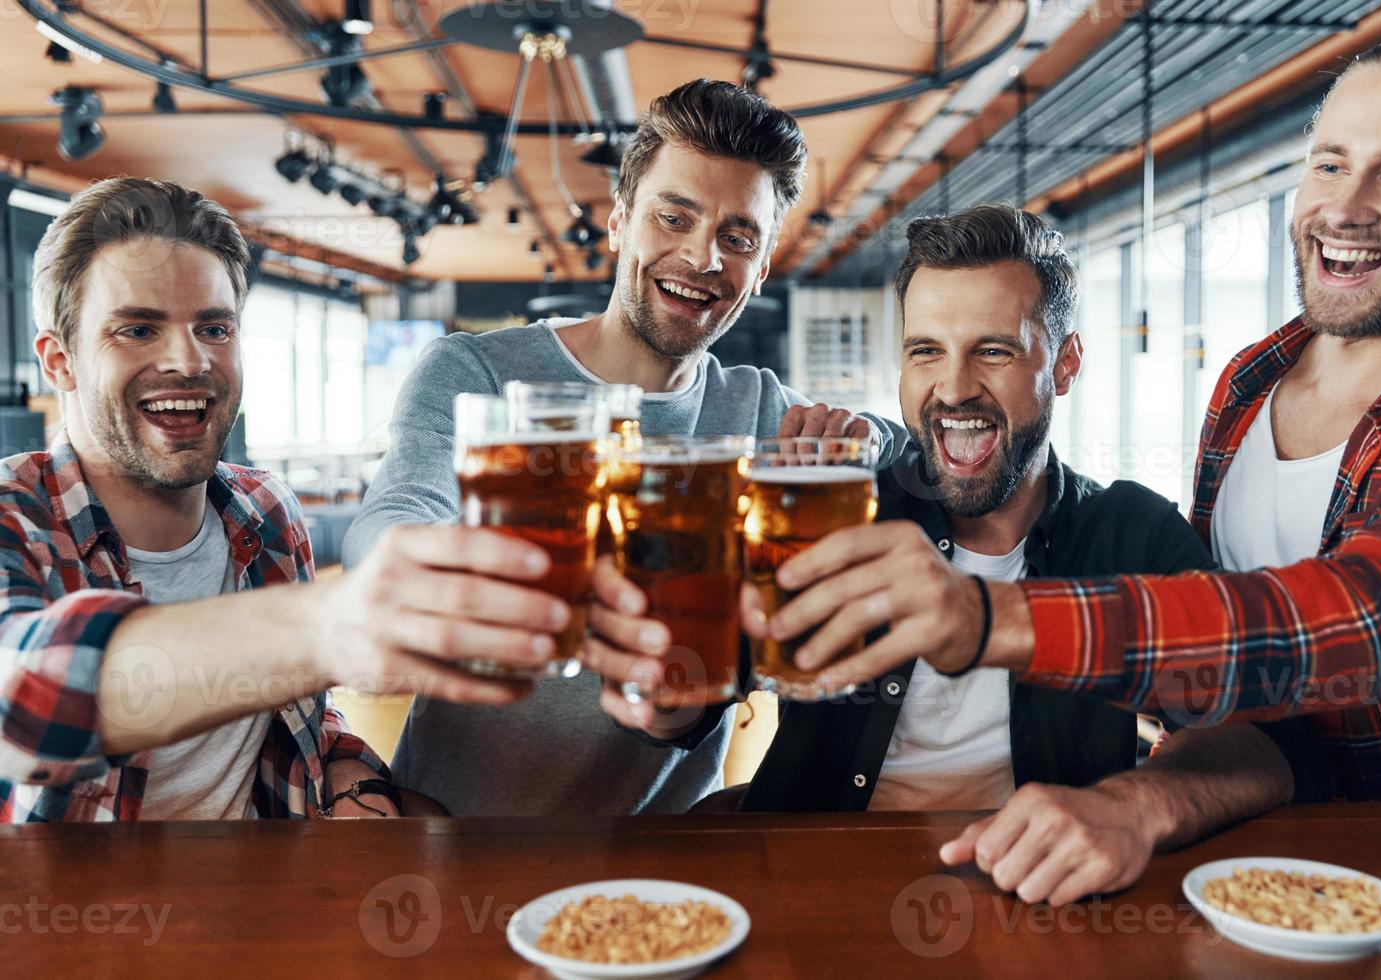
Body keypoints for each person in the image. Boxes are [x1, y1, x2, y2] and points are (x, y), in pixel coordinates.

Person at [742, 20, 1381, 894]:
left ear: (1067, 364)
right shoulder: (1248, 385)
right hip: (1253, 875)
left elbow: (1363, 624)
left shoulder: (1128, 526)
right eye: (1329, 162)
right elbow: (1220, 668)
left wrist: (989, 622)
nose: (1347, 206)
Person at [343, 79, 905, 818]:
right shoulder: (477, 372)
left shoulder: (759, 408)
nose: (703, 256)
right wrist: (430, 571)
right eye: (675, 216)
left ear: (762, 267)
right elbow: (394, 516)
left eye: (739, 238)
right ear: (619, 222)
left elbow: (911, 448)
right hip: (461, 837)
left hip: (665, 863)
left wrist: (865, 437)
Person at [0, 178, 594, 822]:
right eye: (138, 329)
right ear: (59, 362)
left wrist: (351, 781)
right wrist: (329, 623)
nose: (189, 360)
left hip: (269, 904)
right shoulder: (14, 514)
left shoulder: (263, 509)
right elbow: (24, 699)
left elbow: (304, 716)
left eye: (214, 327)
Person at [732, 204, 1225, 815]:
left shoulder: (1134, 533)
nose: (955, 386)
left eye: (992, 351)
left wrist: (1135, 810)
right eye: (926, 352)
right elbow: (684, 702)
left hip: (1043, 898)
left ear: (1065, 364)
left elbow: (1249, 732)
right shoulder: (836, 510)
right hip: (818, 881)